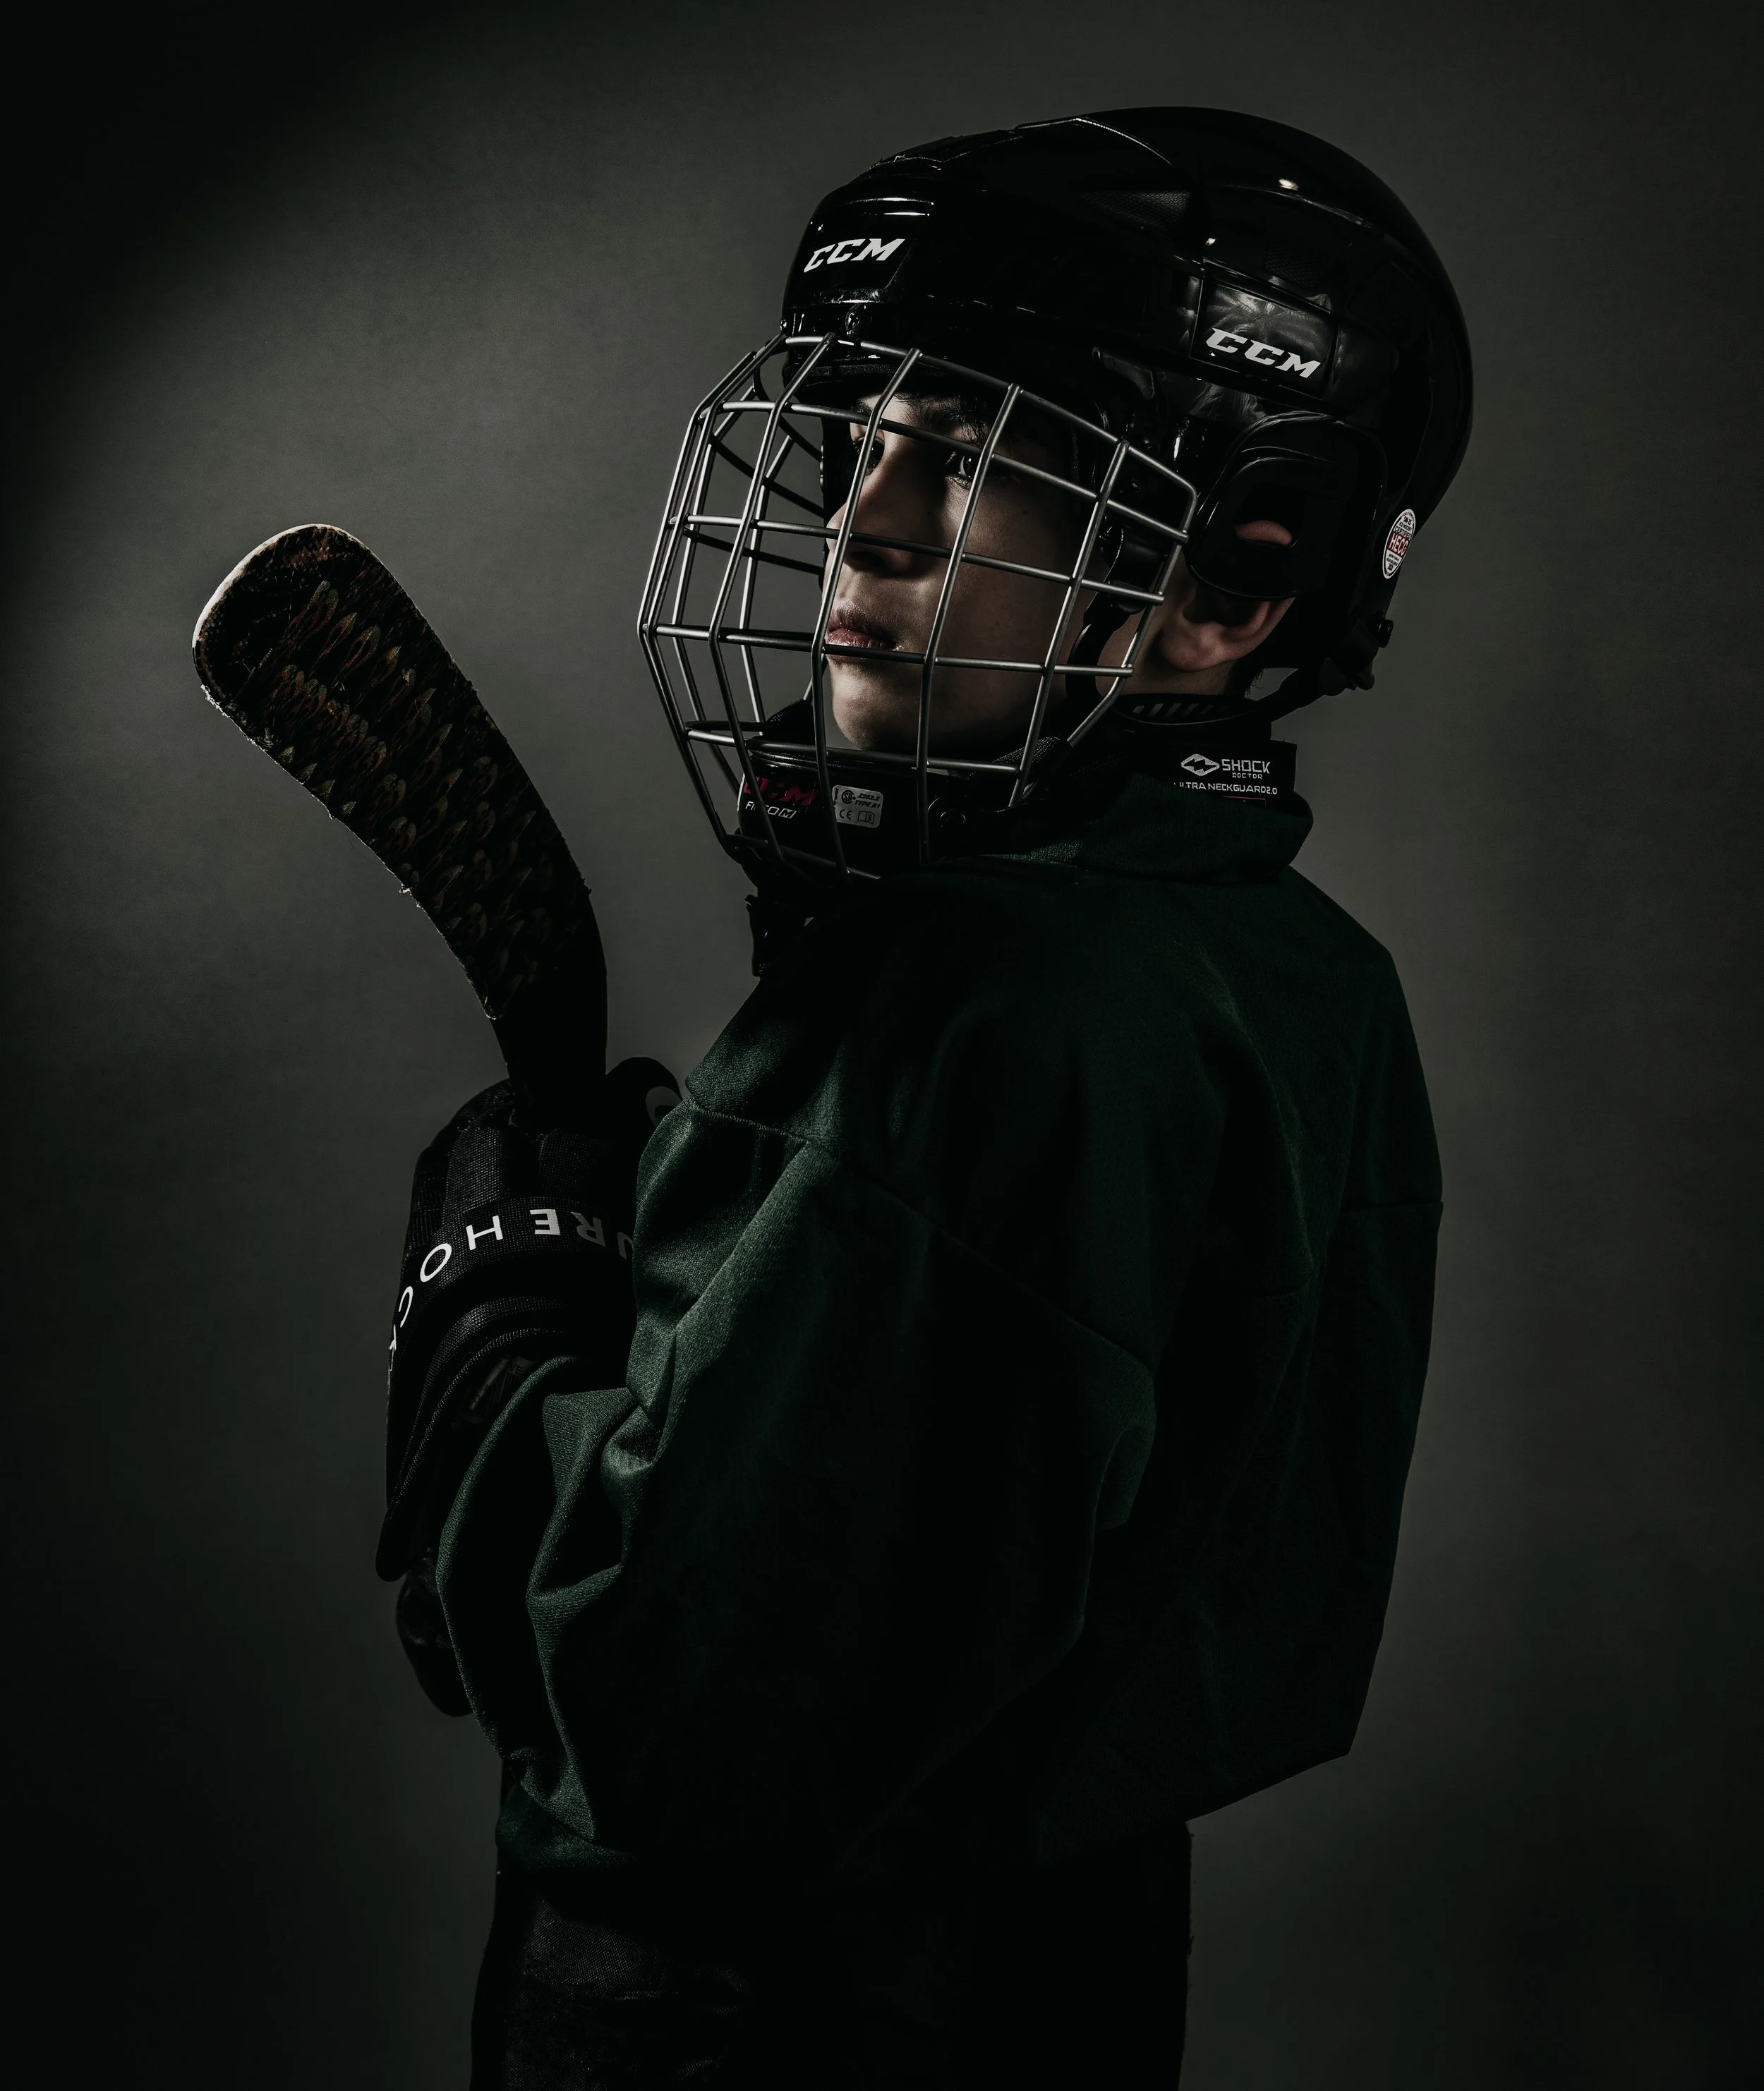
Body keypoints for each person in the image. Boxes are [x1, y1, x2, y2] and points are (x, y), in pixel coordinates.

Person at [377, 108, 1473, 2088]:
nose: (862, 523)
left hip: (749, 2025)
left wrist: (505, 1304)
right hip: (1065, 1976)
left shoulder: (974, 1004)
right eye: (869, 440)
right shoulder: (1297, 971)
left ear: (1232, 588)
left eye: (968, 459)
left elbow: (670, 1723)